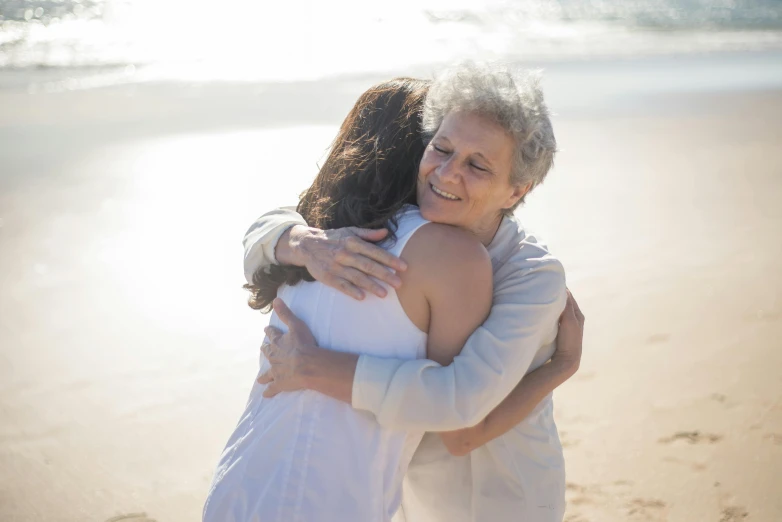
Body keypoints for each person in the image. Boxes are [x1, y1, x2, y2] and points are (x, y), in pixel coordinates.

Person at [246, 63, 585, 522]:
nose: (446, 174)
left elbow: (461, 420)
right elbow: (272, 224)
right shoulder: (404, 224)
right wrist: (303, 243)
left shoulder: (533, 276)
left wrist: (563, 365)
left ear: (516, 190)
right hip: (407, 492)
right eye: (441, 149)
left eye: (477, 166)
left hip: (502, 498)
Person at [204, 77, 497, 522]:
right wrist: (561, 365)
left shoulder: (312, 244)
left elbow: (260, 235)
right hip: (323, 501)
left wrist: (295, 239)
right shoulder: (447, 256)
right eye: (441, 145)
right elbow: (457, 415)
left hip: (237, 484)